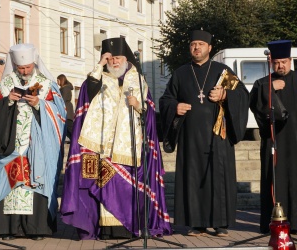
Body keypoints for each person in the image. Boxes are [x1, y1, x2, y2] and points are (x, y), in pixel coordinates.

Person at [61, 37, 172, 240]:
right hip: (99, 147)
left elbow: (149, 112)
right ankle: (103, 229)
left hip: (128, 147)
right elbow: (87, 92)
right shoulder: (97, 79)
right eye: (110, 58)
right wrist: (99, 65)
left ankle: (127, 227)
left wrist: (138, 105)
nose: (114, 62)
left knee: (125, 189)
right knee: (100, 185)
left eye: (117, 58)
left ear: (126, 58)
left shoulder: (138, 79)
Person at [159, 30, 249, 237]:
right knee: (192, 179)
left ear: (209, 47)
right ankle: (196, 223)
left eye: (200, 44)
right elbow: (165, 100)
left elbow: (243, 96)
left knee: (218, 178)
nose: (196, 47)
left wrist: (226, 94)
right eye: (193, 44)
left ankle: (220, 224)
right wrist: (175, 107)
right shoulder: (181, 73)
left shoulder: (222, 71)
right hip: (190, 138)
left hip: (217, 137)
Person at [0, 43, 66, 240]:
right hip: (10, 145)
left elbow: (60, 113)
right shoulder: (6, 84)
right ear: (14, 65)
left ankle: (36, 228)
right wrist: (8, 102)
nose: (24, 71)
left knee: (34, 183)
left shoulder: (47, 84)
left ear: (34, 63)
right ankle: (9, 228)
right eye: (20, 68)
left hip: (37, 145)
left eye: (27, 67)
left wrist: (40, 104)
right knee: (12, 184)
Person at [250, 40, 297, 234]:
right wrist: (269, 89)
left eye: (284, 61)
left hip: (295, 143)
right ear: (271, 62)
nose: (281, 66)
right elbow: (255, 106)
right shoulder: (264, 83)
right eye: (277, 62)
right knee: (275, 180)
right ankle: (275, 223)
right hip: (274, 142)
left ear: (291, 60)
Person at [57, 74, 74, 140]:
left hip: (66, 111)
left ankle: (76, 140)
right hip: (67, 110)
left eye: (58, 80)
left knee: (69, 128)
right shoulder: (65, 88)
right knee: (66, 129)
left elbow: (62, 100)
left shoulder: (65, 88)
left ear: (61, 80)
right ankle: (73, 140)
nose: (57, 82)